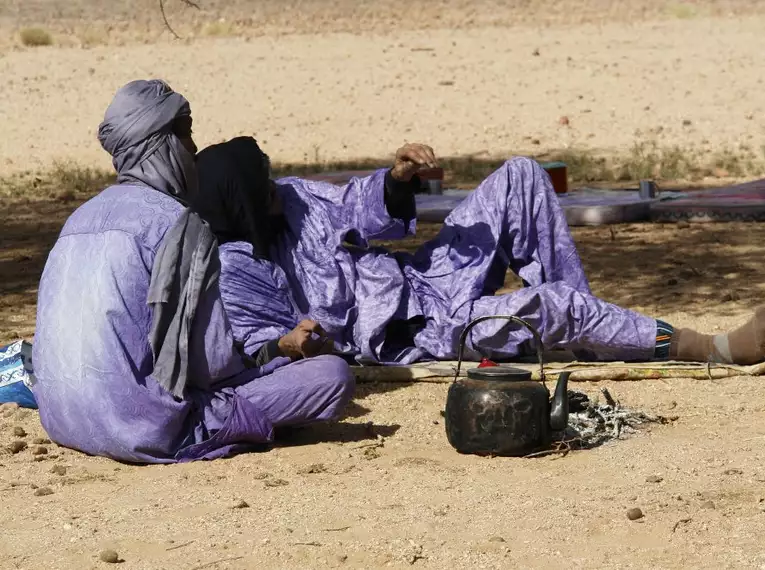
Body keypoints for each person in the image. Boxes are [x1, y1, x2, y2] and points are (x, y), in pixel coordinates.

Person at [193, 137, 765, 368]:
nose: (276, 191)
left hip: (422, 281)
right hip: (411, 336)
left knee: (520, 176)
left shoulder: (293, 196)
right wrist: (297, 343)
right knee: (548, 308)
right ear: (236, 206)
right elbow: (256, 346)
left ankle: (594, 339)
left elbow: (359, 208)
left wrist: (396, 180)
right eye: (261, 190)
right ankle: (708, 348)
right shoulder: (237, 268)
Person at [30, 80, 354, 464]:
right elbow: (210, 367)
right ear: (162, 143)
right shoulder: (178, 225)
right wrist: (272, 359)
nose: (194, 149)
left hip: (63, 421)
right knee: (331, 376)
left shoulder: (78, 219)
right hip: (142, 428)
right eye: (187, 135)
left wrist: (275, 351)